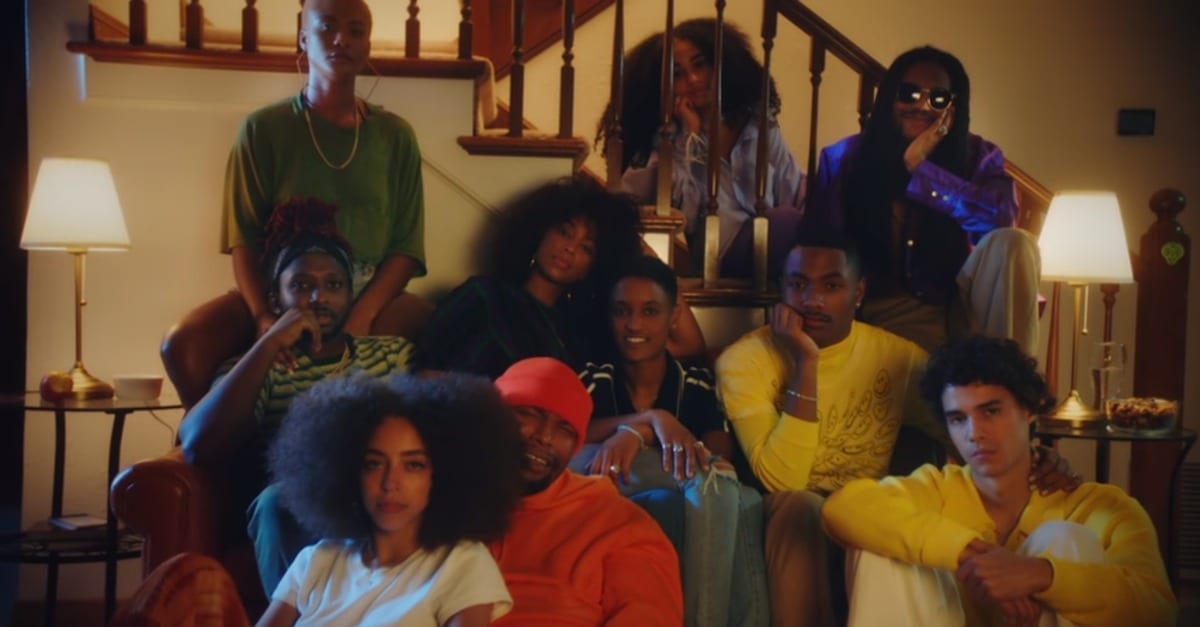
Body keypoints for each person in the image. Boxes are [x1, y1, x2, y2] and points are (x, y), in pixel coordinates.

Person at [714, 233, 1075, 627]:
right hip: (784, 511)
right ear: (780, 290)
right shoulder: (743, 361)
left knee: (884, 526)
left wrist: (1034, 456)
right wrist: (806, 361)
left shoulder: (897, 358)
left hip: (867, 504)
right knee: (801, 507)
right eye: (798, 285)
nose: (812, 300)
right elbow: (785, 480)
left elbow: (971, 430)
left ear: (858, 293)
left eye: (831, 286)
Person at [164, 0, 427, 408]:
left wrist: (362, 317)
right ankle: (223, 445)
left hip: (368, 290)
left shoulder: (396, 136)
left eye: (356, 31)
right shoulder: (263, 129)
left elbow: (406, 248)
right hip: (283, 288)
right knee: (183, 341)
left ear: (368, 46)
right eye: (327, 27)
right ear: (303, 38)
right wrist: (263, 317)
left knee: (446, 332)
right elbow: (244, 238)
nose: (341, 39)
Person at [115, 373, 524, 627]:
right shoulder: (320, 558)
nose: (390, 483)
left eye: (413, 465)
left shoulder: (461, 561)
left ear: (443, 476)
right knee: (190, 574)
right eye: (373, 464)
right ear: (346, 471)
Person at [822, 335, 1177, 627]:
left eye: (991, 411)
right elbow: (843, 508)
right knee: (878, 545)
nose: (974, 433)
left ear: (1029, 409)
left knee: (1065, 539)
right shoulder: (936, 487)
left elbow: (1158, 611)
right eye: (958, 419)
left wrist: (1041, 575)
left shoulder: (1102, 507)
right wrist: (967, 553)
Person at [176, 199, 414, 594]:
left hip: (379, 493)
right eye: (302, 285)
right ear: (276, 299)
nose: (319, 297)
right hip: (299, 500)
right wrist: (268, 344)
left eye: (334, 285)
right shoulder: (255, 367)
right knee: (276, 501)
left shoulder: (391, 355)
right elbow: (198, 445)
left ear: (350, 295)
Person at [568, 255, 768, 627]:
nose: (634, 324)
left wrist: (639, 434)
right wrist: (648, 422)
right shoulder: (595, 378)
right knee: (728, 492)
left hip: (672, 499)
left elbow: (718, 457)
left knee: (740, 495)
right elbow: (570, 436)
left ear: (674, 315)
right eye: (622, 311)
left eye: (650, 311)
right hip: (606, 490)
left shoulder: (695, 383)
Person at [806, 46, 1039, 355]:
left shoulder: (978, 156)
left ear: (953, 107)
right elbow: (820, 241)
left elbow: (1000, 220)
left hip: (962, 304)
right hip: (886, 305)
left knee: (1014, 242)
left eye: (938, 98)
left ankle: (1011, 376)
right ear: (890, 97)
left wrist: (922, 169)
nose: (922, 105)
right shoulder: (844, 158)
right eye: (910, 93)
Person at [416, 175, 704, 376]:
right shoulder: (484, 294)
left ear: (595, 265)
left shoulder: (582, 330)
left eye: (587, 248)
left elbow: (689, 345)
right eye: (564, 232)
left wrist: (637, 252)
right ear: (539, 230)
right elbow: (427, 370)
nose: (569, 248)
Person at [598, 18, 803, 278]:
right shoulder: (668, 139)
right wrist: (689, 137)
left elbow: (791, 185)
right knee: (784, 223)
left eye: (699, 65)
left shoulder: (756, 123)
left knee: (809, 219)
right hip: (719, 255)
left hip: (776, 243)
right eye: (678, 74)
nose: (693, 79)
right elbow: (689, 214)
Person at [491, 356, 684, 625]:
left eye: (565, 429)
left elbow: (649, 616)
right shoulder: (441, 498)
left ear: (575, 447)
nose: (545, 436)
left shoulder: (620, 525)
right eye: (530, 414)